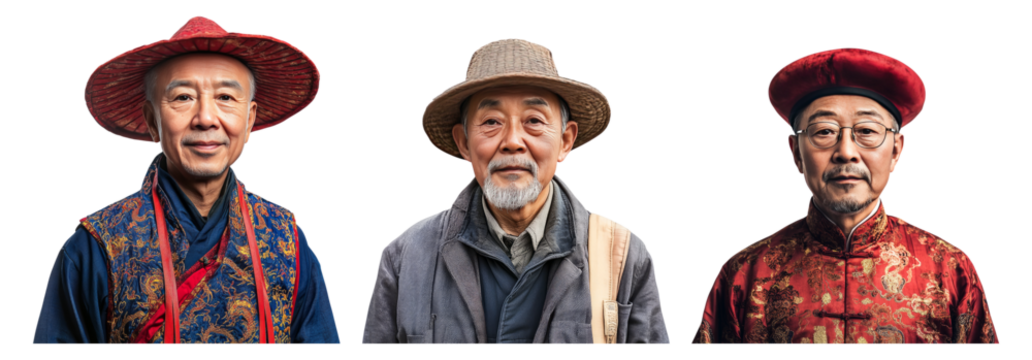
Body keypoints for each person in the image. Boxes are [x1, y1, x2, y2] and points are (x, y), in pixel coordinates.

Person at [32, 15, 340, 346]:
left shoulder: (286, 241)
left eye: (225, 97)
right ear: (152, 120)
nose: (206, 118)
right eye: (182, 97)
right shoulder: (97, 247)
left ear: (249, 119)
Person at [361, 37, 670, 346]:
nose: (512, 141)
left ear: (565, 141)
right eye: (491, 122)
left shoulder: (622, 256)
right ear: (464, 142)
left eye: (533, 121)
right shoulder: (405, 258)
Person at [690, 46, 1001, 346]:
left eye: (867, 131)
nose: (846, 152)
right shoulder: (746, 273)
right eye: (824, 131)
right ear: (796, 152)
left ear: (896, 150)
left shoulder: (949, 269)